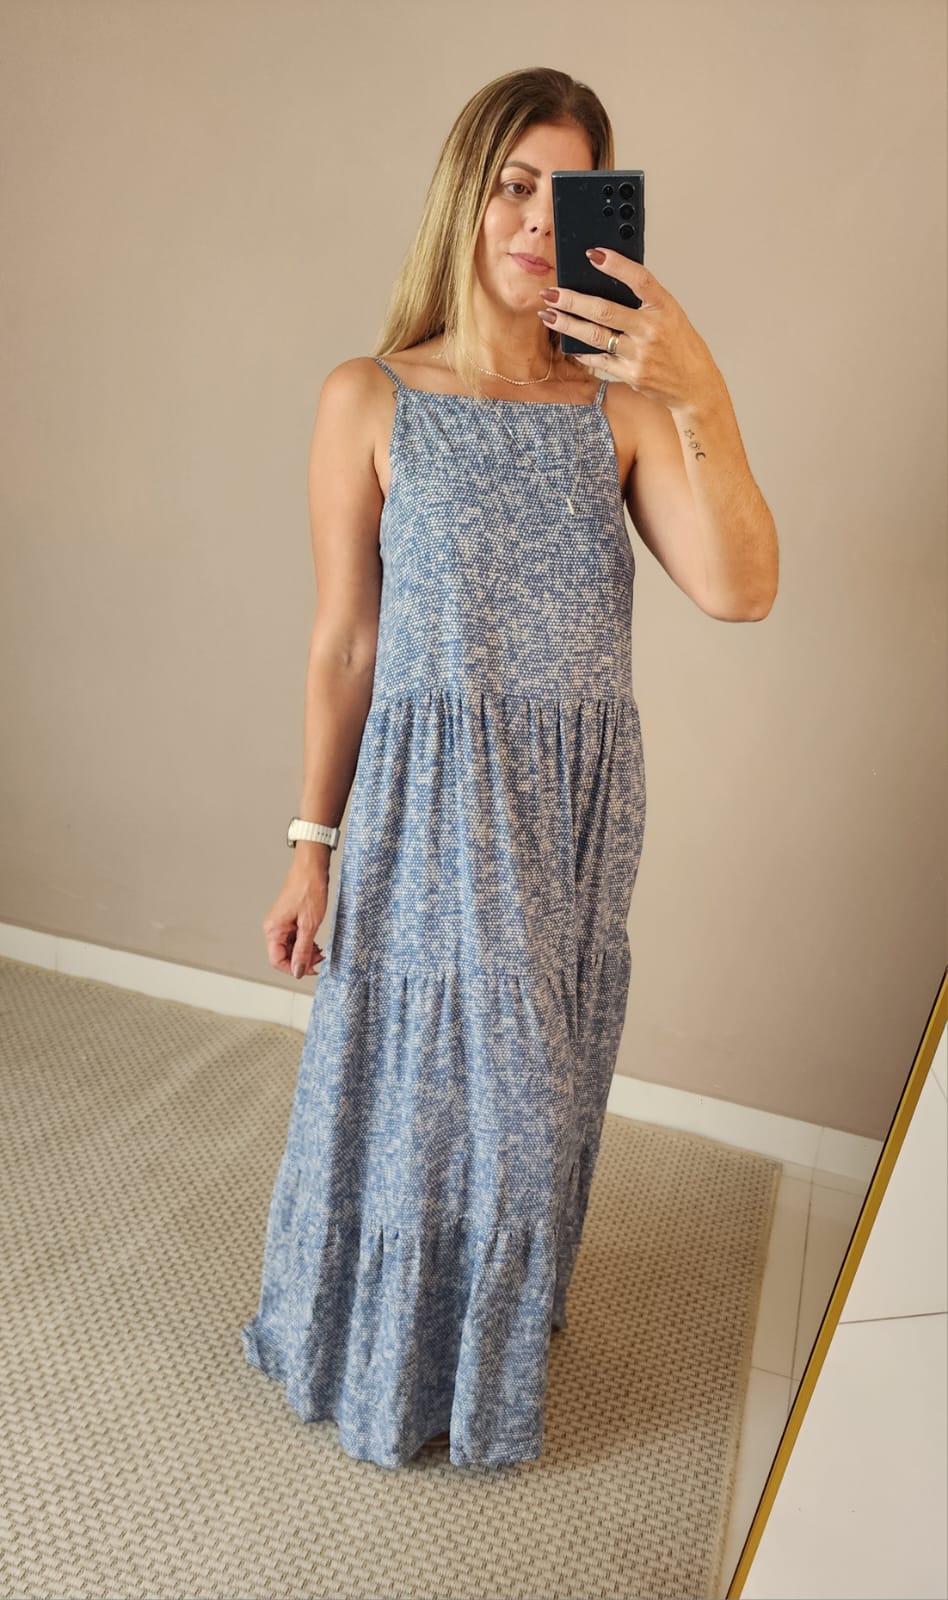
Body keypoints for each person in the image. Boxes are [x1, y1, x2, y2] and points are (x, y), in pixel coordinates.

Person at [240, 66, 777, 1471]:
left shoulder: (622, 411)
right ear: (465, 198)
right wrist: (310, 844)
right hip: (424, 810)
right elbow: (346, 642)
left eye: (570, 192)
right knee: (411, 1102)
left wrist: (699, 385)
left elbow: (743, 589)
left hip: (569, 819)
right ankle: (367, 1357)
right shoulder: (370, 397)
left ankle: (480, 1366)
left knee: (533, 1113)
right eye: (515, 185)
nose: (540, 220)